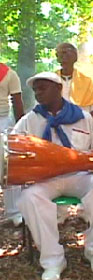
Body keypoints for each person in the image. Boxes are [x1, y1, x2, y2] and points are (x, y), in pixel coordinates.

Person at [14, 72, 93, 280]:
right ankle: (52, 260)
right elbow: (12, 147)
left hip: (79, 175)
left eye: (42, 88)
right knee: (29, 197)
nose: (37, 93)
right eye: (35, 90)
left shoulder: (82, 116)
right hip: (45, 179)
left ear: (58, 89)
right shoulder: (30, 119)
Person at [0, 63, 24, 226]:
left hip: (3, 121)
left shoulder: (9, 74)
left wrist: (20, 129)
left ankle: (14, 211)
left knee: (8, 164)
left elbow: (17, 102)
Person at [55, 42, 93, 124]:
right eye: (60, 54)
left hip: (80, 126)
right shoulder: (51, 80)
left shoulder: (86, 81)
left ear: (75, 57)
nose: (63, 57)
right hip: (57, 125)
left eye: (66, 53)